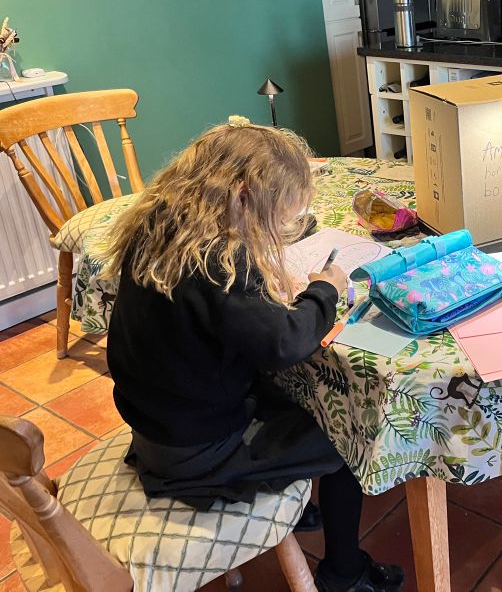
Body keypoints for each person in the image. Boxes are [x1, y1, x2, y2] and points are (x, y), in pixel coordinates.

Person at [102, 118, 405, 592]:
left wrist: (263, 287)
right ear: (242, 195)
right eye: (276, 215)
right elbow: (284, 344)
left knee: (295, 399)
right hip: (198, 451)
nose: (278, 226)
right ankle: (344, 572)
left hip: (159, 426)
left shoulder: (158, 228)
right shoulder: (218, 261)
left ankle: (299, 503)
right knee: (350, 436)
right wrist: (325, 289)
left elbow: (222, 318)